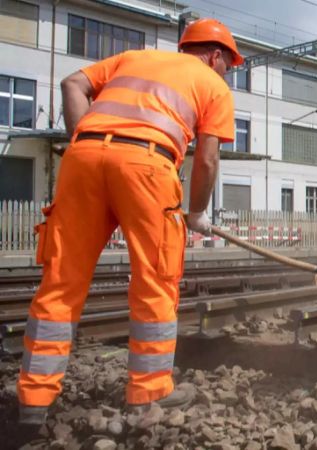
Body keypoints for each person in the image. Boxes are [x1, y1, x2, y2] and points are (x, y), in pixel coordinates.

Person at [17, 18, 242, 427]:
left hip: (82, 158)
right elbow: (207, 159)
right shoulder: (214, 86)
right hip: (147, 166)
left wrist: (84, 138)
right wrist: (196, 214)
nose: (229, 70)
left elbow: (72, 84)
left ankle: (33, 398)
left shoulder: (134, 57)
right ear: (215, 55)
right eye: (230, 63)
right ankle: (148, 392)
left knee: (61, 279)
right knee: (155, 278)